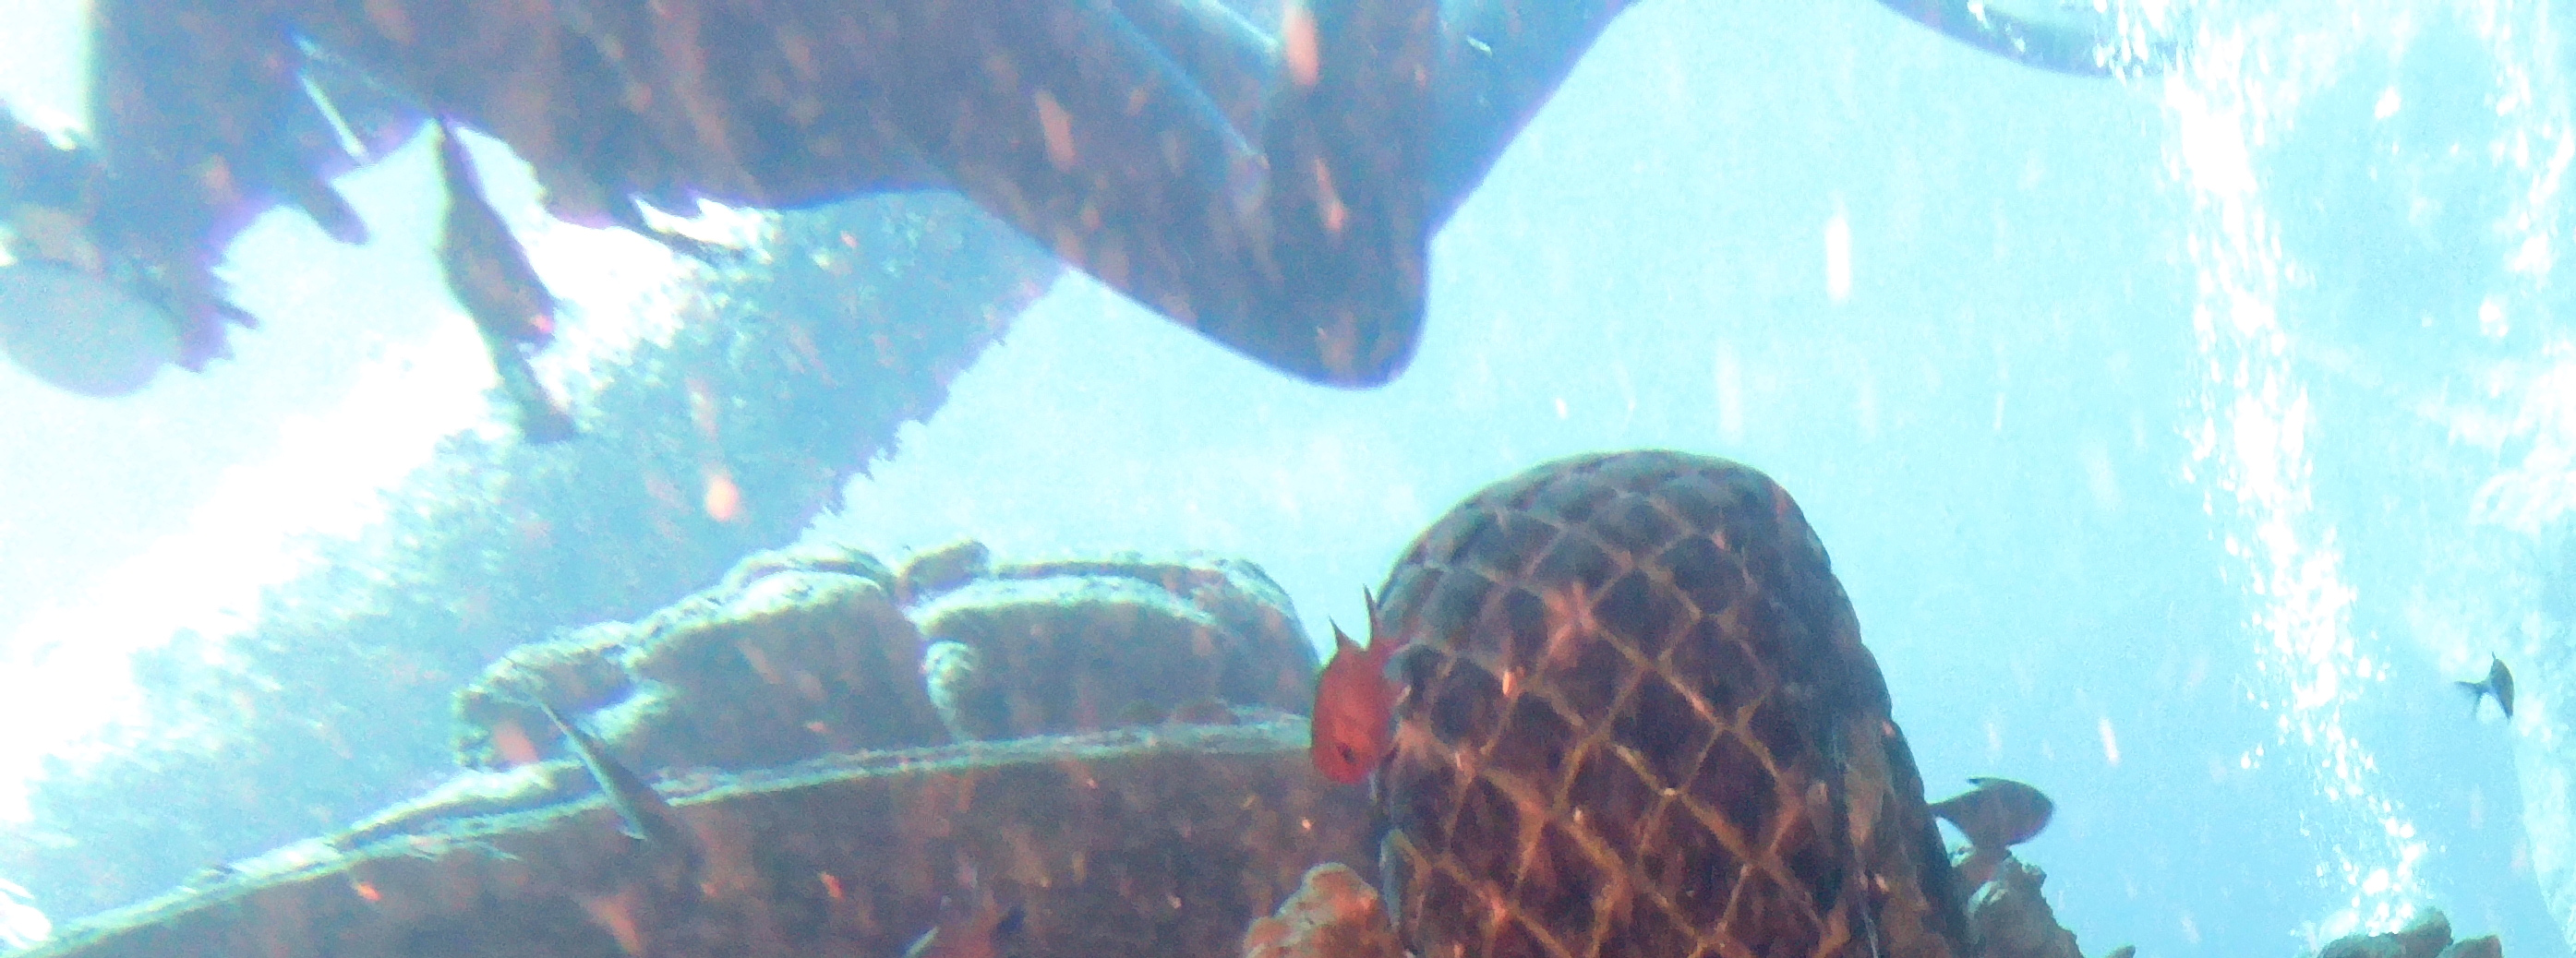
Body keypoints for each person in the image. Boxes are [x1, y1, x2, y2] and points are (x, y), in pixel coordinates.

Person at [0, 0, 2150, 399]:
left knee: (1334, 303)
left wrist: (106, 251)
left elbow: (149, 241)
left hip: (793, 53)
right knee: (1360, 197)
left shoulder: (142, 101)